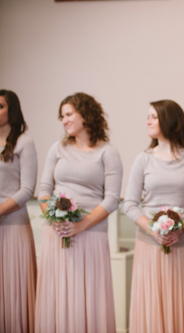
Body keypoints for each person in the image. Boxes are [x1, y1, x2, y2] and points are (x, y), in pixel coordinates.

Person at [123, 99, 184, 332]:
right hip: (149, 245)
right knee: (152, 305)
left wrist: (181, 228)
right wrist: (153, 231)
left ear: (170, 120)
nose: (148, 121)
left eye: (154, 116)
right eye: (148, 117)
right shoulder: (143, 159)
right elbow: (130, 204)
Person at [36, 92, 123, 332]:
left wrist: (81, 225)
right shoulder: (58, 148)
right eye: (61, 116)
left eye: (68, 114)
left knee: (87, 296)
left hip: (91, 234)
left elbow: (112, 198)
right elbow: (44, 189)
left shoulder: (108, 152)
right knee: (58, 295)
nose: (63, 121)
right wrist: (52, 219)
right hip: (56, 232)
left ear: (85, 114)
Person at [0, 90, 37, 332]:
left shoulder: (24, 141)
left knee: (13, 292)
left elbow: (27, 190)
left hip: (13, 227)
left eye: (0, 106)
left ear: (11, 110)